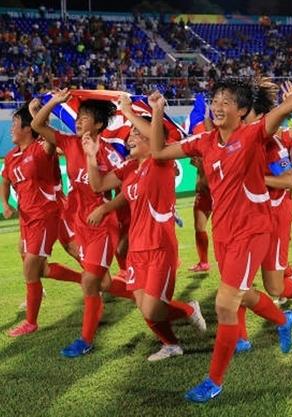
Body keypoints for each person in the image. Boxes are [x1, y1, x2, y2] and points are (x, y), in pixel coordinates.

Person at [148, 59, 292, 402]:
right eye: (215, 100)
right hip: (225, 232)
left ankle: (214, 381)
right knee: (242, 294)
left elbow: (289, 106)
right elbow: (159, 151)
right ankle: (282, 320)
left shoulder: (252, 136)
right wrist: (158, 111)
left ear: (243, 110)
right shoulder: (204, 142)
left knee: (225, 304)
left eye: (227, 102)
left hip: (253, 232)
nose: (218, 107)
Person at [83, 95, 207, 360]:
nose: (130, 138)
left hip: (160, 247)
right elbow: (98, 186)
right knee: (143, 306)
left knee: (152, 309)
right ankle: (171, 344)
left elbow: (156, 140)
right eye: (130, 134)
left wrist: (143, 111)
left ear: (152, 139)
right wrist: (91, 158)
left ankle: (187, 310)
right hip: (137, 250)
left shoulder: (161, 162)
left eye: (136, 134)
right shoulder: (130, 167)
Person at [31, 91, 137, 356]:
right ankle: (156, 302)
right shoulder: (68, 143)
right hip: (79, 223)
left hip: (102, 225)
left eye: (85, 118)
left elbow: (127, 190)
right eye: (78, 117)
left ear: (99, 125)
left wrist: (105, 208)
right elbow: (37, 126)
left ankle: (85, 340)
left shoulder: (110, 154)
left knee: (90, 282)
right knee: (100, 283)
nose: (78, 122)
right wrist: (54, 102)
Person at [235, 80, 292, 353]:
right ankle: (240, 337)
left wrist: (254, 178)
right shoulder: (238, 141)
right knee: (237, 281)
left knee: (274, 287)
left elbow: (289, 181)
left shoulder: (275, 144)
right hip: (245, 221)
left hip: (274, 219)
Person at [1, 103, 78, 337]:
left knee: (38, 264)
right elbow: (5, 180)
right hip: (26, 219)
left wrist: (40, 111)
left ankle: (31, 322)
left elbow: (51, 138)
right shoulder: (12, 156)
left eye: (14, 125)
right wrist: (5, 203)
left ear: (27, 128)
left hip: (46, 216)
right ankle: (88, 279)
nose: (10, 130)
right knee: (36, 266)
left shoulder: (42, 149)